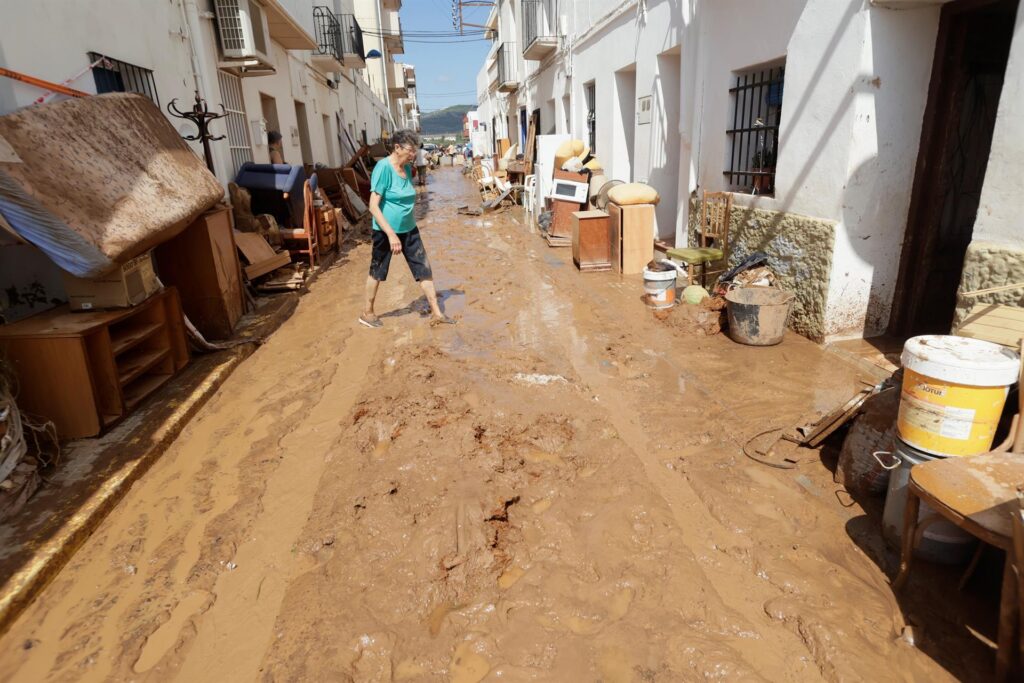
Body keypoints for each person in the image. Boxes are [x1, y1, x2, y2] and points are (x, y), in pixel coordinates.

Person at [360, 129, 455, 328]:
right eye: (410, 151)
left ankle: (437, 313)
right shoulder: (383, 168)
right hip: (386, 232)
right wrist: (392, 235)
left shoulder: (408, 170)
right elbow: (373, 206)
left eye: (415, 151)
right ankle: (367, 313)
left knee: (424, 269)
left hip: (409, 229)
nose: (413, 155)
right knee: (378, 271)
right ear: (397, 148)